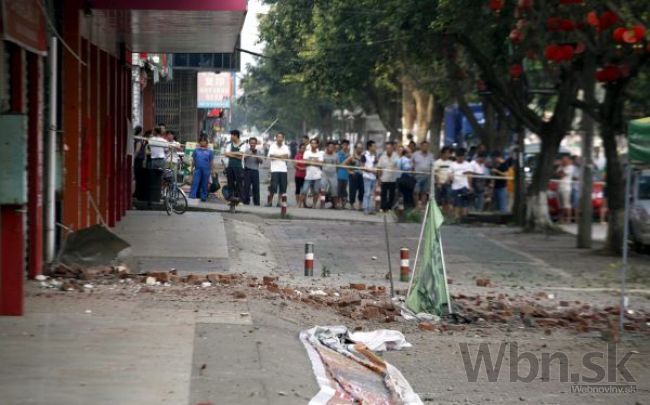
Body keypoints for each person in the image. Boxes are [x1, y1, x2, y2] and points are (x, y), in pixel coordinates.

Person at [449, 148, 474, 220]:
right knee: (456, 204)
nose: (460, 158)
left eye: (462, 156)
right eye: (459, 156)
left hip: (464, 186)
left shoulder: (468, 165)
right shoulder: (452, 165)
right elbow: (450, 175)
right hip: (455, 187)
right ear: (456, 156)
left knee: (464, 204)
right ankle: (456, 217)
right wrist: (451, 178)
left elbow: (470, 176)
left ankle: (464, 218)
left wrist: (470, 186)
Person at [266, 132, 290, 207]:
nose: (279, 139)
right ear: (276, 138)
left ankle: (279, 202)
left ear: (283, 138)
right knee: (273, 186)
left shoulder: (285, 147)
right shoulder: (272, 146)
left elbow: (286, 156)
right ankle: (269, 202)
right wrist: (281, 156)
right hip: (274, 169)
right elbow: (271, 156)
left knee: (283, 187)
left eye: (281, 137)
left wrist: (277, 156)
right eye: (278, 137)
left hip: (283, 169)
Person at [224, 130, 245, 209]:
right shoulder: (229, 144)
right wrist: (236, 154)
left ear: (236, 136)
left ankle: (241, 200)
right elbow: (226, 154)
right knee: (230, 183)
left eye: (232, 135)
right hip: (230, 166)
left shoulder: (243, 144)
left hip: (239, 167)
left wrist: (231, 154)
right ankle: (231, 199)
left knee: (239, 184)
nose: (230, 137)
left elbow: (241, 154)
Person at [189, 136, 214, 202]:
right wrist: (191, 170)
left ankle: (203, 197)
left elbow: (211, 162)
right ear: (199, 142)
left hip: (206, 169)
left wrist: (212, 171)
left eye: (204, 141)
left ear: (206, 142)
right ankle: (192, 195)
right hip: (197, 169)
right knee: (195, 182)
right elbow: (193, 161)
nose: (203, 142)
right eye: (201, 141)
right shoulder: (196, 150)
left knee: (205, 183)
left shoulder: (210, 151)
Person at [302, 138, 324, 208]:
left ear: (317, 144)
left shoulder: (320, 153)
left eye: (315, 143)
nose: (313, 144)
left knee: (316, 191)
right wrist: (315, 162)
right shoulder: (307, 152)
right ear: (310, 144)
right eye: (312, 143)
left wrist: (310, 162)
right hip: (308, 176)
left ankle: (314, 204)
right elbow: (305, 163)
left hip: (317, 176)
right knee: (304, 190)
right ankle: (302, 204)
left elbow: (320, 164)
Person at [377, 141, 400, 212]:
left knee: (391, 194)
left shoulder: (396, 156)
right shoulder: (382, 157)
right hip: (384, 178)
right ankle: (383, 207)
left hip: (393, 179)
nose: (388, 149)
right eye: (387, 148)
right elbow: (379, 168)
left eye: (390, 148)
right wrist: (379, 178)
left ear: (393, 148)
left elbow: (399, 165)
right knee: (383, 193)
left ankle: (389, 207)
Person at [412, 141, 434, 208]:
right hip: (417, 175)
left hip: (427, 175)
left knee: (424, 191)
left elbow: (432, 165)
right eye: (424, 146)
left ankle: (422, 205)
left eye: (427, 146)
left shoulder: (431, 155)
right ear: (421, 146)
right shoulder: (415, 154)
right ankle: (416, 206)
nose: (425, 147)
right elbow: (412, 163)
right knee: (416, 191)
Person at [242, 137, 263, 206]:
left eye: (254, 143)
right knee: (246, 187)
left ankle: (256, 203)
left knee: (256, 188)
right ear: (249, 143)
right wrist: (250, 154)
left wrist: (256, 155)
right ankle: (245, 201)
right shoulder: (246, 151)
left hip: (255, 171)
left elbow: (261, 161)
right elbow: (243, 159)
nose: (252, 144)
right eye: (251, 143)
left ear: (256, 144)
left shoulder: (259, 151)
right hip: (247, 170)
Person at [433, 147, 453, 214]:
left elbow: (452, 173)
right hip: (439, 183)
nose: (447, 154)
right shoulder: (437, 162)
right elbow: (435, 173)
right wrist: (438, 182)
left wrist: (449, 180)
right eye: (446, 153)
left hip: (448, 183)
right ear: (442, 153)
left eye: (449, 153)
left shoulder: (451, 163)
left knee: (447, 199)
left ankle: (446, 213)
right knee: (438, 199)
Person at [346, 142, 365, 210]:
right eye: (358, 148)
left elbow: (364, 165)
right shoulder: (352, 156)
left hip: (361, 175)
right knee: (352, 191)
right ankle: (352, 204)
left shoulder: (363, 157)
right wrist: (349, 171)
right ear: (355, 148)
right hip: (353, 175)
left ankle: (360, 205)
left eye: (361, 148)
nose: (360, 149)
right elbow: (345, 164)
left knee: (362, 191)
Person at [361, 140, 378, 215]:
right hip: (367, 177)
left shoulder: (374, 155)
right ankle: (365, 208)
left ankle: (371, 208)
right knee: (367, 193)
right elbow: (362, 167)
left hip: (373, 177)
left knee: (372, 194)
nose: (375, 147)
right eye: (373, 146)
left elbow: (376, 165)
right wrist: (371, 171)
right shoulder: (364, 155)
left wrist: (376, 171)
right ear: (369, 147)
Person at [557, 154, 574, 224]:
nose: (563, 160)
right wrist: (561, 167)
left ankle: (568, 219)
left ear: (568, 160)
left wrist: (561, 170)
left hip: (566, 187)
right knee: (561, 205)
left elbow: (562, 175)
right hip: (560, 187)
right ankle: (561, 219)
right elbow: (557, 174)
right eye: (563, 159)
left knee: (567, 204)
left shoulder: (571, 167)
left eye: (565, 159)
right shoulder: (561, 166)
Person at [322, 141, 339, 208]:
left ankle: (335, 204)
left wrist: (335, 172)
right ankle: (322, 204)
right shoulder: (323, 154)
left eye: (332, 147)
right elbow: (320, 164)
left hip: (333, 175)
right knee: (323, 189)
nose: (331, 148)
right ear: (327, 147)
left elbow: (337, 165)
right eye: (330, 147)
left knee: (334, 189)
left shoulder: (336, 155)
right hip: (324, 174)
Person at [133, 127, 148, 201]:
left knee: (137, 176)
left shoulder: (138, 140)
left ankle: (137, 193)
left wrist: (133, 158)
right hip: (141, 159)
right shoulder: (142, 139)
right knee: (139, 177)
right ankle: (138, 192)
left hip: (138, 159)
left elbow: (137, 150)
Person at [337, 140, 350, 208]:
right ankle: (338, 203)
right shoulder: (338, 154)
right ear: (341, 145)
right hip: (339, 174)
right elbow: (339, 163)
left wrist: (348, 156)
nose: (345, 146)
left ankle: (343, 203)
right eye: (344, 145)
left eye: (346, 145)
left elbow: (350, 164)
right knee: (338, 190)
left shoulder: (349, 155)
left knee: (344, 190)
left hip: (346, 175)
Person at [295, 143, 307, 207]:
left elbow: (308, 165)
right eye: (302, 148)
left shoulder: (307, 156)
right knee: (298, 189)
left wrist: (304, 168)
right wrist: (301, 168)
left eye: (304, 148)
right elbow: (295, 165)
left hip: (305, 175)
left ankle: (304, 203)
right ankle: (298, 203)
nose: (303, 149)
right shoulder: (297, 156)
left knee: (304, 190)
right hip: (298, 175)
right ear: (299, 149)